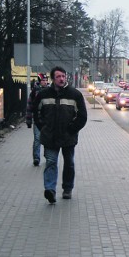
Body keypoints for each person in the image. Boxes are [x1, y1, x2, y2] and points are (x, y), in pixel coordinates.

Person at [32, 66, 87, 204]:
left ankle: (67, 188)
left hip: (68, 137)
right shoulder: (43, 95)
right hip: (50, 136)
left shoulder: (75, 95)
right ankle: (50, 190)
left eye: (63, 76)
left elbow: (82, 116)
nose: (61, 79)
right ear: (53, 79)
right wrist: (44, 128)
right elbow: (36, 113)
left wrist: (71, 130)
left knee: (69, 163)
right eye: (58, 76)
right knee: (51, 162)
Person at [26, 73, 50, 166]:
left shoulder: (50, 91)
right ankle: (36, 158)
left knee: (48, 139)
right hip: (37, 119)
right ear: (39, 81)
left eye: (46, 80)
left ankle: (48, 156)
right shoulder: (35, 92)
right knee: (37, 139)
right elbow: (29, 107)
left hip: (48, 120)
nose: (45, 82)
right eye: (43, 80)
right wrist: (28, 121)